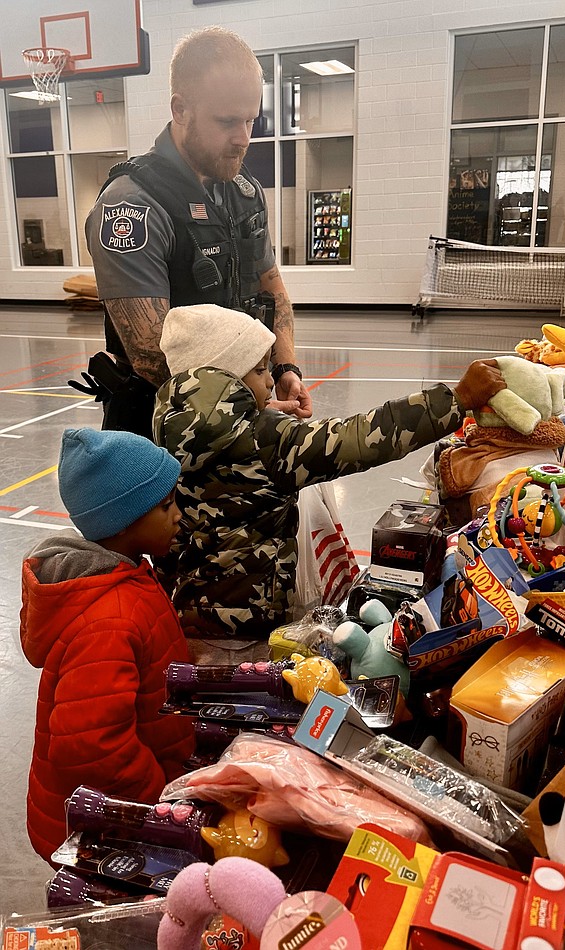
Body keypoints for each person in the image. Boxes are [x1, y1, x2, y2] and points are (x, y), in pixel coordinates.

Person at [153, 303, 507, 662]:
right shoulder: (266, 440)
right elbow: (359, 438)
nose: (269, 381)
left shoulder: (171, 427)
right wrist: (456, 400)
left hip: (192, 615)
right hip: (248, 628)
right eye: (260, 370)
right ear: (229, 378)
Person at [84, 25, 311, 437]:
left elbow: (271, 287)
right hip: (161, 434)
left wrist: (285, 367)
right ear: (180, 109)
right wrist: (253, 399)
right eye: (227, 122)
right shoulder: (132, 207)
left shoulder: (243, 192)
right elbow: (153, 354)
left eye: (250, 120)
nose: (244, 139)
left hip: (241, 420)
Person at [20, 428, 193, 863]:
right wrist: (157, 796)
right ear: (124, 520)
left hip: (128, 805)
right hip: (111, 824)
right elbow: (91, 744)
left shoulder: (129, 575)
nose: (179, 516)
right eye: (166, 505)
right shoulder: (108, 618)